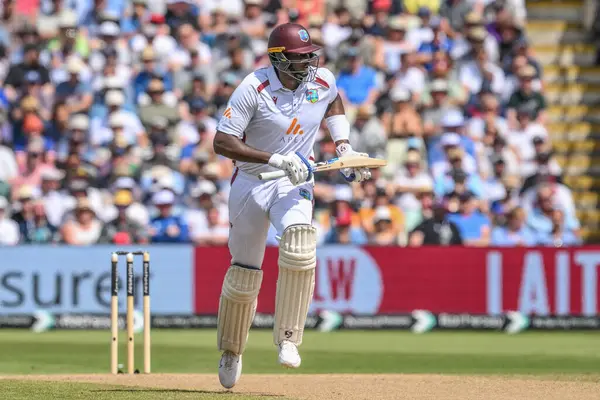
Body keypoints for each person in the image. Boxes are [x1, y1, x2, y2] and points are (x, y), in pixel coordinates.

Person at [212, 23, 373, 389]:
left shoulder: (321, 80)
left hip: (296, 181)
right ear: (277, 59)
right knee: (244, 274)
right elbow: (222, 142)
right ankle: (232, 350)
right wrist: (275, 159)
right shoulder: (253, 87)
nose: (309, 63)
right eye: (300, 58)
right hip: (253, 182)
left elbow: (332, 99)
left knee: (301, 244)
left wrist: (343, 146)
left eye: (310, 55)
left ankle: (288, 337)